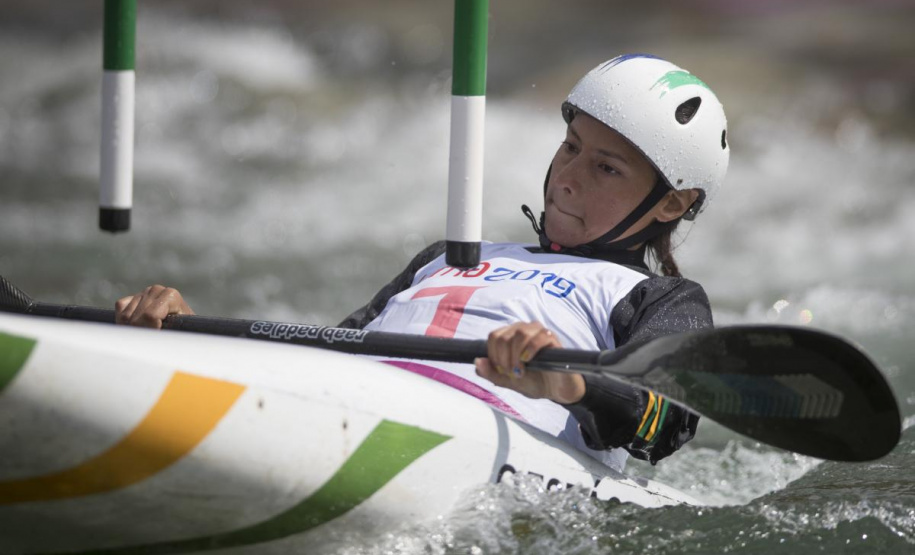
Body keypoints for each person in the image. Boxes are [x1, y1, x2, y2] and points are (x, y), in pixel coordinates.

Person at [116, 54, 729, 470]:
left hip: (493, 447)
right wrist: (188, 340)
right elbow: (323, 353)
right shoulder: (452, 254)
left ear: (671, 202)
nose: (567, 178)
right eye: (570, 148)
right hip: (354, 405)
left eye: (606, 168)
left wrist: (561, 382)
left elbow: (665, 422)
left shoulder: (658, 299)